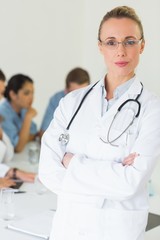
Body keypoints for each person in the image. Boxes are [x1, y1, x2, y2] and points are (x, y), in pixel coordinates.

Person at [39, 6, 160, 240]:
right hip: (68, 230)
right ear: (100, 47)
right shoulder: (71, 103)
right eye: (112, 42)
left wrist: (71, 162)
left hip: (116, 232)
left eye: (130, 41)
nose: (121, 51)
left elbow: (129, 184)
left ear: (142, 45)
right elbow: (47, 171)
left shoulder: (152, 109)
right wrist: (111, 175)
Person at [39, 67, 90, 137]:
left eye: (84, 92)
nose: (79, 98)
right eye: (75, 93)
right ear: (66, 91)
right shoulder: (57, 99)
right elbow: (44, 133)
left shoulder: (96, 100)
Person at [0, 74, 38, 153]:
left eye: (32, 93)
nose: (31, 98)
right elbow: (18, 147)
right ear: (13, 94)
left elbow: (34, 134)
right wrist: (28, 117)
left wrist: (22, 136)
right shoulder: (2, 112)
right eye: (26, 93)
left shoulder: (23, 110)